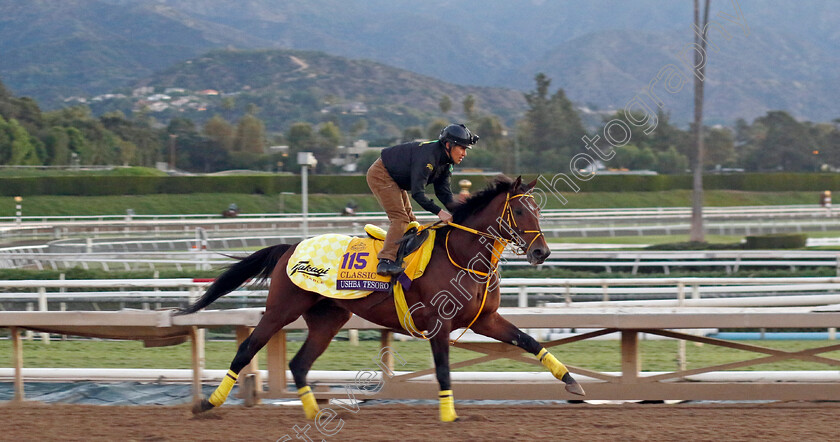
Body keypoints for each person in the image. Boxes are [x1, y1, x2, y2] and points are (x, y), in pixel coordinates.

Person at [366, 123, 479, 276]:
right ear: (448, 145)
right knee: (400, 219)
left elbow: (444, 193)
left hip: (396, 178)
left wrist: (460, 213)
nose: (464, 153)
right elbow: (418, 194)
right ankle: (385, 261)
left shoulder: (446, 163)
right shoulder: (428, 157)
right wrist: (440, 213)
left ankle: (404, 257)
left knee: (411, 221)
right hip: (382, 174)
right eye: (462, 148)